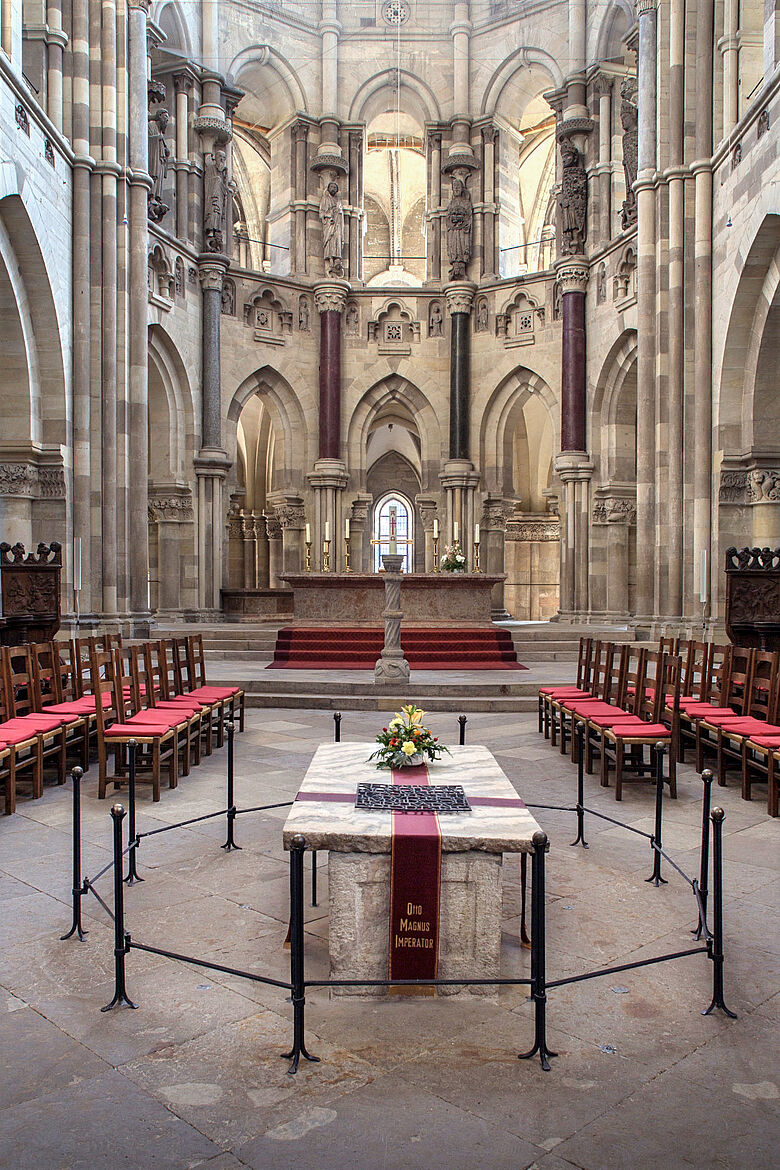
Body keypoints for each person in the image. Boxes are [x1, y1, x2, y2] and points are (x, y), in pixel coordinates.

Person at [319, 180, 344, 275]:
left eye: (335, 187)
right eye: (331, 187)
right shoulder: (325, 199)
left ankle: (337, 260)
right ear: (328, 188)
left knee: (337, 240)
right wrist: (329, 215)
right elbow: (321, 213)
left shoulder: (338, 201)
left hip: (337, 225)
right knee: (329, 241)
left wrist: (338, 212)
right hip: (329, 224)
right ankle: (330, 261)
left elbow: (341, 213)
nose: (333, 189)